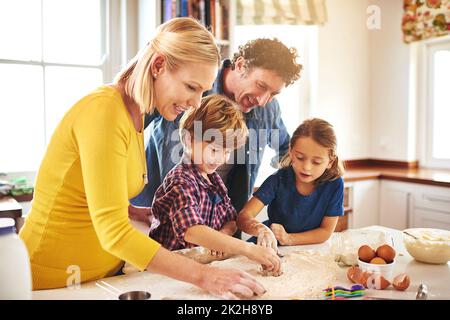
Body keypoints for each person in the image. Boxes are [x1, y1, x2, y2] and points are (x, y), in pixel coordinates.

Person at [19, 17, 266, 299]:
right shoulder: (104, 112)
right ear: (158, 65)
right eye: (191, 87)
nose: (196, 103)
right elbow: (114, 233)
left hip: (99, 280)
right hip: (49, 282)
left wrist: (134, 212)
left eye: (203, 91)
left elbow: (93, 194)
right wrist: (206, 277)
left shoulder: (133, 115)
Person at [130, 38, 302, 219]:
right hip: (159, 217)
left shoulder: (269, 109)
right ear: (241, 65)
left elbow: (287, 154)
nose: (262, 100)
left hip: (223, 223)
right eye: (261, 86)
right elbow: (127, 125)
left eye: (273, 94)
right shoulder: (194, 84)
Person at [148, 94, 281, 272]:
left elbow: (232, 220)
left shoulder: (215, 181)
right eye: (214, 150)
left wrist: (254, 230)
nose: (220, 159)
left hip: (199, 268)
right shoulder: (180, 181)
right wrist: (248, 249)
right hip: (168, 271)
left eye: (227, 152)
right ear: (189, 139)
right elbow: (192, 231)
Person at [236, 118, 345, 249]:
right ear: (290, 151)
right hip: (272, 246)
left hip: (310, 249)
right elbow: (243, 217)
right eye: (300, 157)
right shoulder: (278, 179)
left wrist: (289, 238)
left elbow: (326, 231)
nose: (306, 167)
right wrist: (260, 229)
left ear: (330, 162)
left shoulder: (335, 184)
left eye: (316, 162)